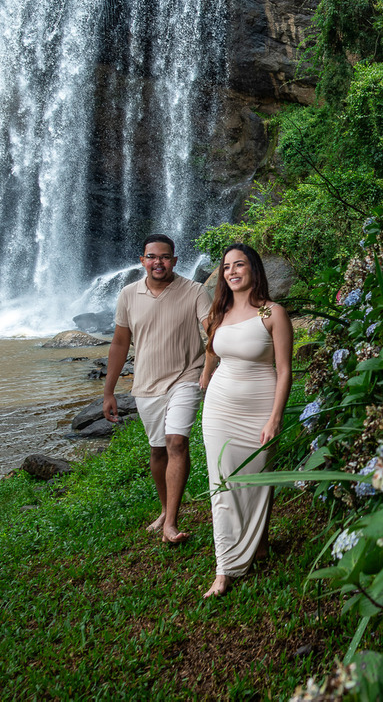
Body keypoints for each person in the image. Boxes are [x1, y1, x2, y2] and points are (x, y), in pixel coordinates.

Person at [103, 233, 212, 544]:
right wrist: (109, 391)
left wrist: (211, 367)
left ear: (175, 260)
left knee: (177, 441)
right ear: (142, 260)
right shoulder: (128, 295)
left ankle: (171, 523)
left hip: (186, 376)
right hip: (147, 384)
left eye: (164, 257)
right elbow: (120, 343)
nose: (158, 262)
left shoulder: (194, 291)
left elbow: (212, 329)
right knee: (158, 449)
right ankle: (165, 509)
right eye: (152, 257)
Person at [198, 243, 292, 598]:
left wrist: (275, 418)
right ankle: (224, 569)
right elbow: (213, 350)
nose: (231, 272)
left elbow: (284, 371)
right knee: (222, 484)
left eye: (239, 265)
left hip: (259, 409)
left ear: (253, 269)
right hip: (219, 410)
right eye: (226, 267)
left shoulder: (272, 313)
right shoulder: (218, 313)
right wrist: (205, 374)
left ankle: (260, 544)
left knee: (257, 482)